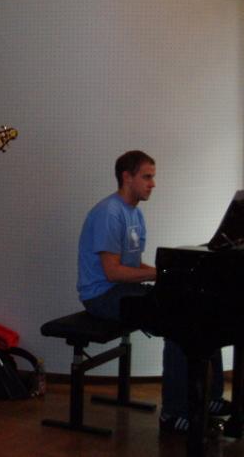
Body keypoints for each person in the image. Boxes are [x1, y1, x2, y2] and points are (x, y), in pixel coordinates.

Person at [77, 150, 228, 434]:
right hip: (101, 296)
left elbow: (133, 266)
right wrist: (162, 274)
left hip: (122, 288)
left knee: (202, 308)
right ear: (127, 177)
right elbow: (113, 272)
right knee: (177, 321)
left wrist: (167, 275)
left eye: (152, 177)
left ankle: (212, 398)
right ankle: (173, 412)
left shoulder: (134, 213)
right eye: (147, 177)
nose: (153, 184)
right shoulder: (109, 213)